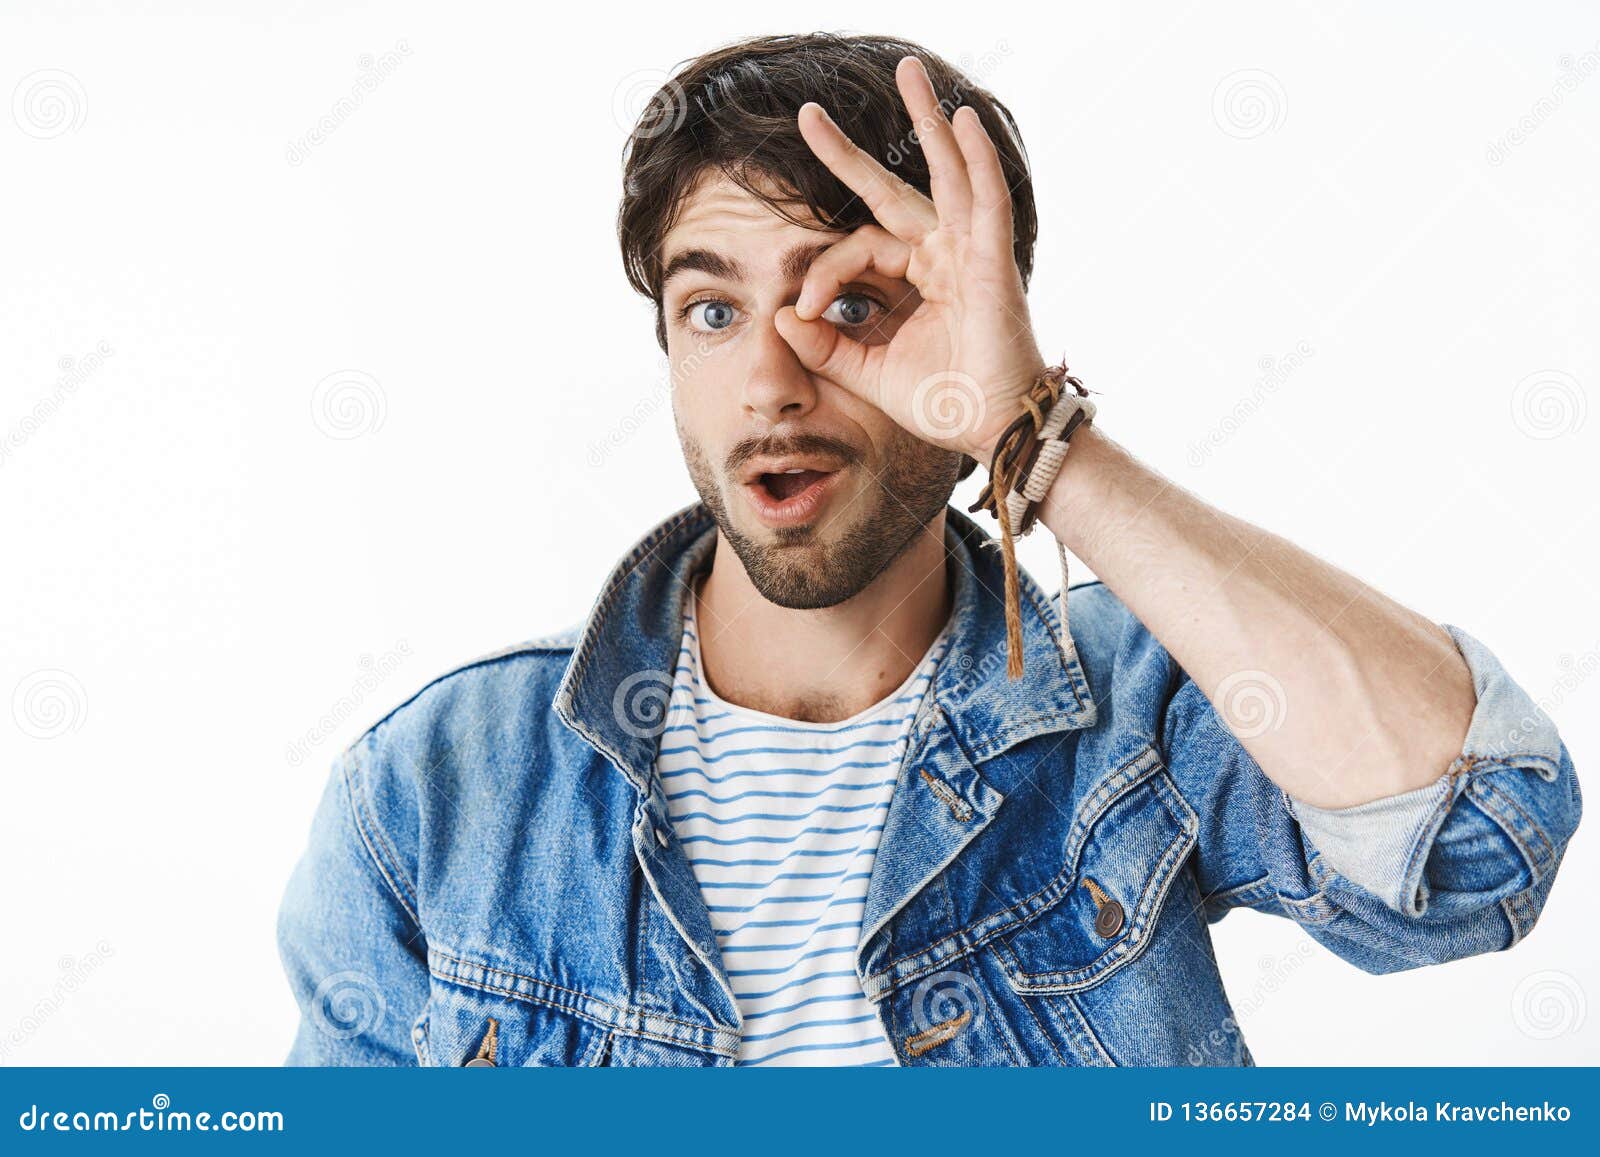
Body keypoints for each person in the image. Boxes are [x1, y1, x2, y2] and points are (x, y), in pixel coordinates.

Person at [278, 33, 1581, 1067]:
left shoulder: (1143, 709)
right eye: (714, 305)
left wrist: (1041, 443)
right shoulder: (440, 789)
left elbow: (1474, 844)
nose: (774, 378)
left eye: (853, 301)